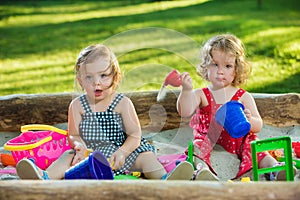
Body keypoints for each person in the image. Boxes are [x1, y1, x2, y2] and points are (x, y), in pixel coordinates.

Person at [16, 44, 194, 180]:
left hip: (123, 155)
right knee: (67, 156)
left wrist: (123, 152)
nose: (96, 83)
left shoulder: (122, 103)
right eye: (89, 77)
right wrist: (79, 147)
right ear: (80, 80)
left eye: (103, 76)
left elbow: (134, 135)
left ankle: (166, 179)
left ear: (115, 77)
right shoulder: (77, 105)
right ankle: (44, 177)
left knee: (146, 158)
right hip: (91, 155)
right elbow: (74, 134)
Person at [176, 33, 296, 181]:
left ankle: (275, 170)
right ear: (206, 65)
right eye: (215, 64)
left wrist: (250, 120)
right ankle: (203, 171)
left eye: (227, 66)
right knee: (197, 147)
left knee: (255, 148)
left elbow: (258, 125)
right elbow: (185, 111)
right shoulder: (202, 94)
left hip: (238, 139)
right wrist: (186, 90)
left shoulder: (242, 96)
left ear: (237, 69)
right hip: (209, 138)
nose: (220, 71)